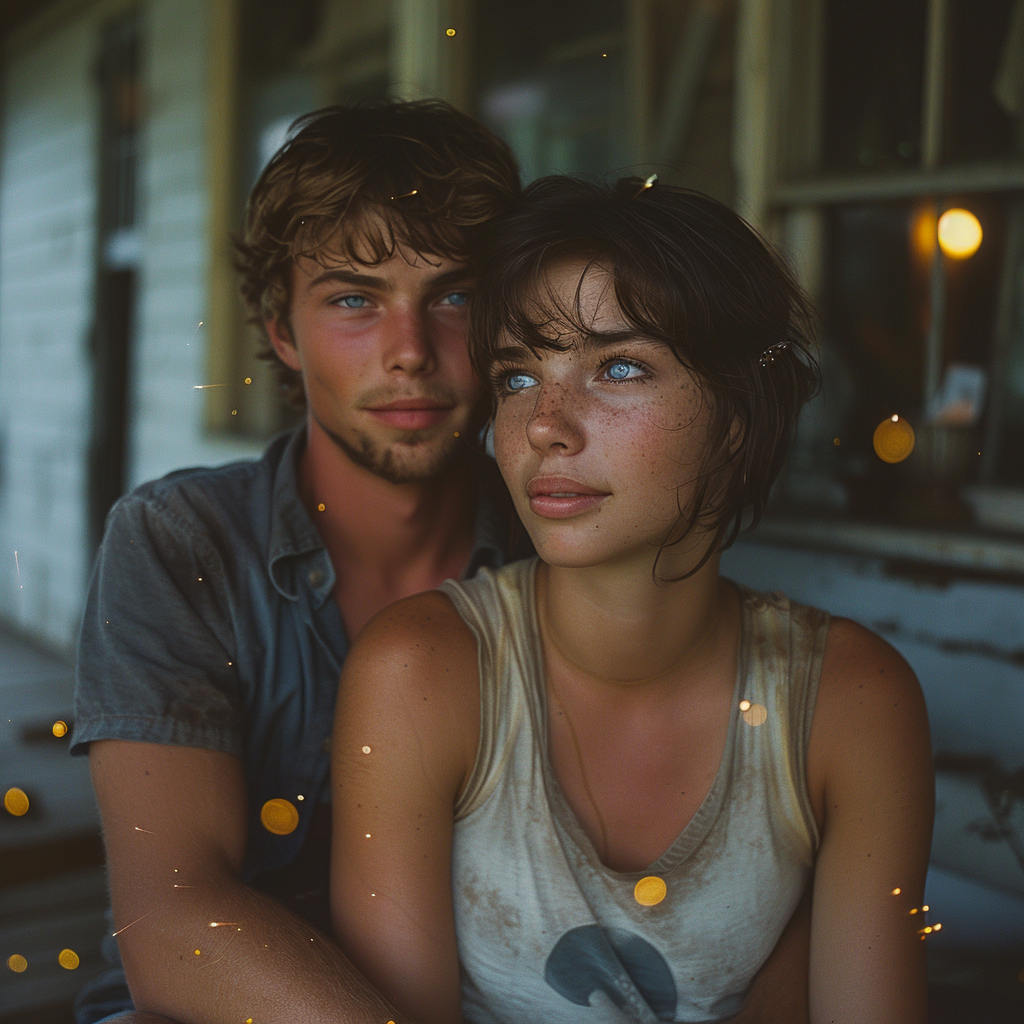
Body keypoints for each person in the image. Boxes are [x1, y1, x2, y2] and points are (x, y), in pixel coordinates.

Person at [330, 177, 935, 1024]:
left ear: (736, 416)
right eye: (516, 377)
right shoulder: (423, 675)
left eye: (618, 367)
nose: (546, 423)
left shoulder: (850, 701)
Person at [71, 100, 529, 1024]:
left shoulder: (554, 546)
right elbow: (173, 919)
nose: (409, 353)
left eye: (455, 295)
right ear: (283, 330)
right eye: (355, 299)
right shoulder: (181, 543)